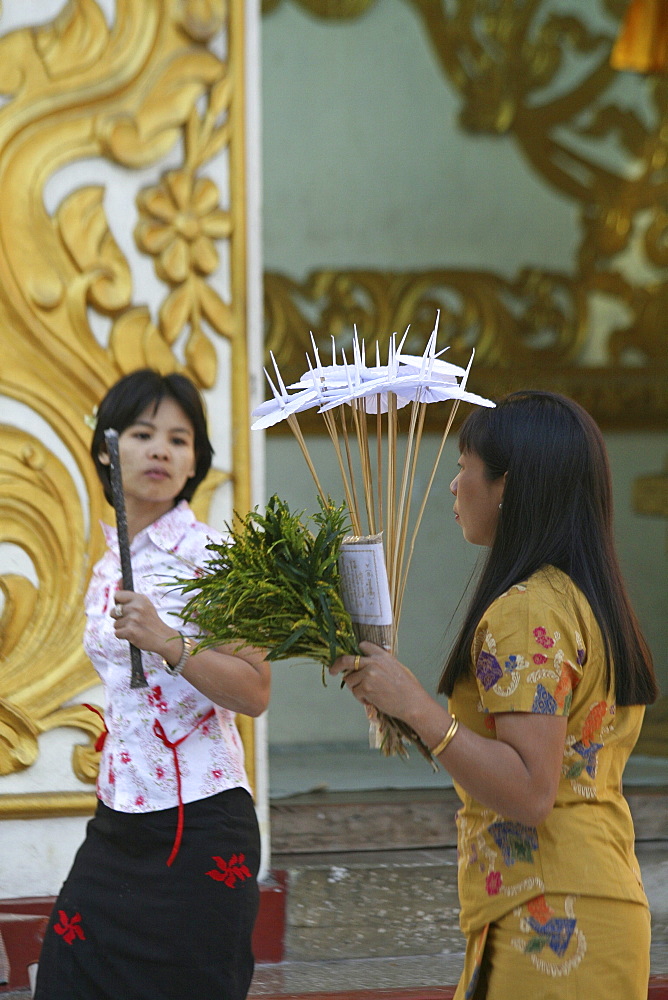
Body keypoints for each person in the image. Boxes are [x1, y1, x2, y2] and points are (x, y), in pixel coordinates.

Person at [331, 390, 658, 1000]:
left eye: (464, 466)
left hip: (553, 910)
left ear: (507, 485)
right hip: (583, 895)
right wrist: (399, 710)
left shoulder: (528, 609)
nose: (455, 485)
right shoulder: (578, 598)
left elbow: (531, 790)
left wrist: (419, 708)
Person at [34, 369, 270, 1000]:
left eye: (179, 438)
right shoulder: (109, 561)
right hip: (118, 821)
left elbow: (254, 690)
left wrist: (170, 643)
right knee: (64, 980)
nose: (162, 449)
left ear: (195, 460)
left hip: (203, 822)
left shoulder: (214, 557)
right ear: (108, 450)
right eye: (143, 433)